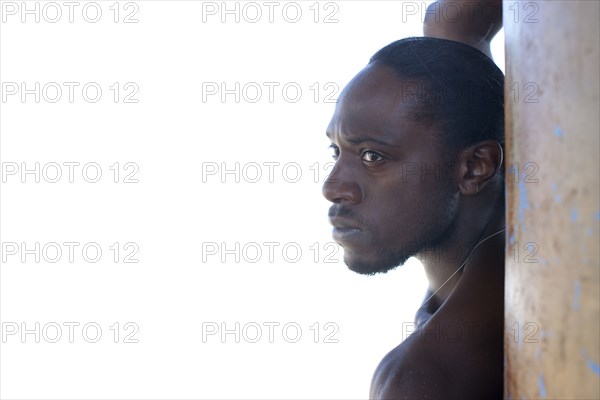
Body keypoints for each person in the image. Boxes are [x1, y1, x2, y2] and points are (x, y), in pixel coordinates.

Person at [321, 1, 505, 398]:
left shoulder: (421, 379)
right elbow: (457, 21)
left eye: (373, 156)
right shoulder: (517, 187)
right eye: (337, 152)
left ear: (475, 168)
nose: (334, 188)